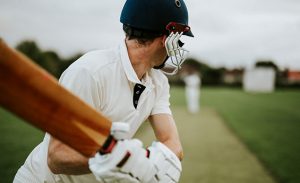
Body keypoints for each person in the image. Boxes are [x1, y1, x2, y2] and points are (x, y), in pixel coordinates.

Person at [13, 0, 194, 182]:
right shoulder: (90, 72)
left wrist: (145, 162)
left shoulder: (159, 82)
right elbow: (57, 158)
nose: (178, 47)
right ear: (166, 39)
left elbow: (172, 143)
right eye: (178, 39)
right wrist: (124, 162)